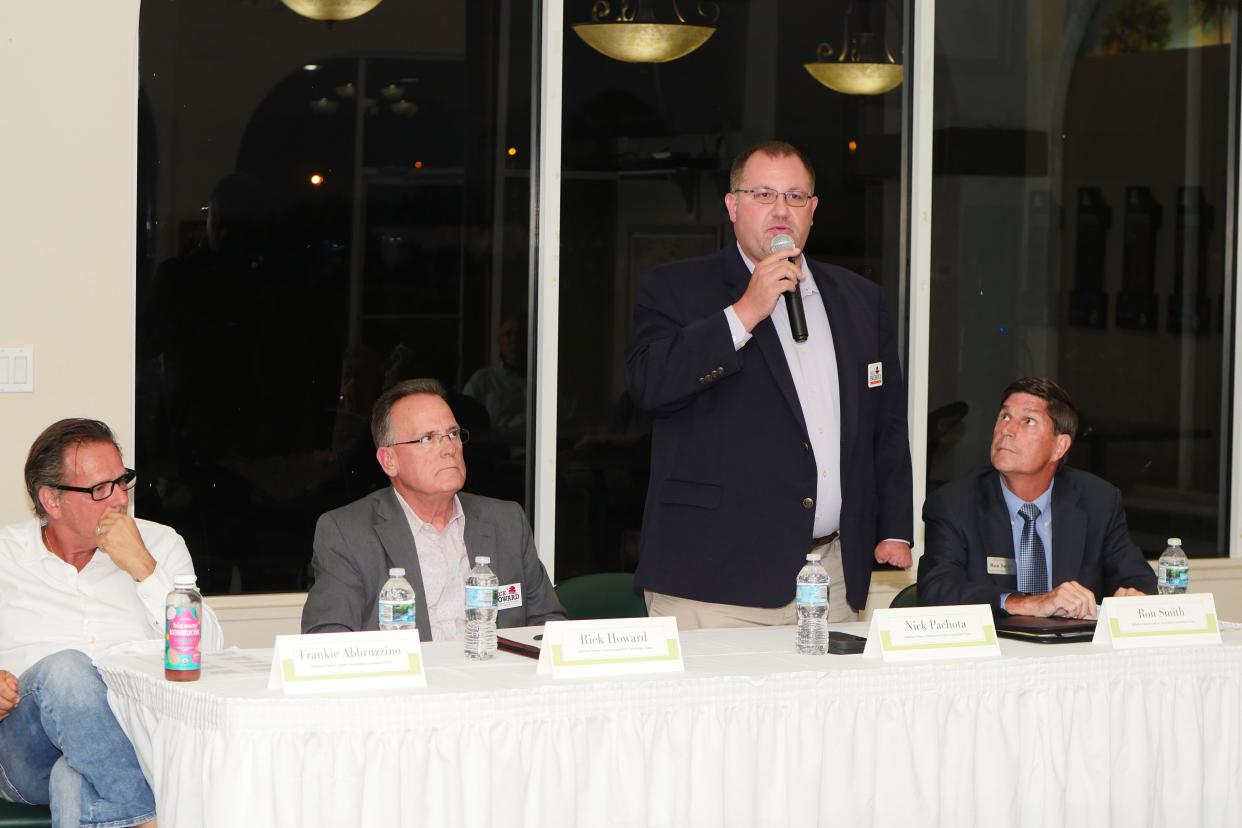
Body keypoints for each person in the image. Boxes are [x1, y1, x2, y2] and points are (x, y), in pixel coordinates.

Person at [625, 140, 914, 627]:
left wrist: (895, 527)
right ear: (732, 205)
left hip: (833, 580)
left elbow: (885, 424)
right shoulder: (676, 288)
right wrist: (744, 313)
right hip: (713, 582)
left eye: (795, 197)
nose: (781, 210)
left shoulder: (859, 299)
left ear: (813, 210)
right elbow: (649, 385)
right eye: (763, 194)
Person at [0, 418, 222, 827]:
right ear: (51, 500)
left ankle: (130, 807)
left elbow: (211, 654)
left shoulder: (159, 545)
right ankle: (146, 819)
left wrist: (143, 569)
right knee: (66, 669)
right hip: (24, 748)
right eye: (101, 489)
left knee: (75, 778)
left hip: (141, 738)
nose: (120, 500)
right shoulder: (5, 556)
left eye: (123, 482)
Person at [301, 378, 565, 639]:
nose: (449, 448)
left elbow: (549, 625)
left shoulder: (506, 521)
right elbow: (326, 639)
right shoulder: (348, 533)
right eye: (428, 438)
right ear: (389, 460)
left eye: (452, 434)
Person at [918, 377, 1156, 617]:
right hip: (996, 648)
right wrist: (1031, 604)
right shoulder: (954, 503)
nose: (1007, 430)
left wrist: (1135, 597)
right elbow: (937, 591)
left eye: (1028, 421)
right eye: (1005, 417)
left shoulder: (1097, 501)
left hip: (1072, 650)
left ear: (1059, 447)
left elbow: (1138, 579)